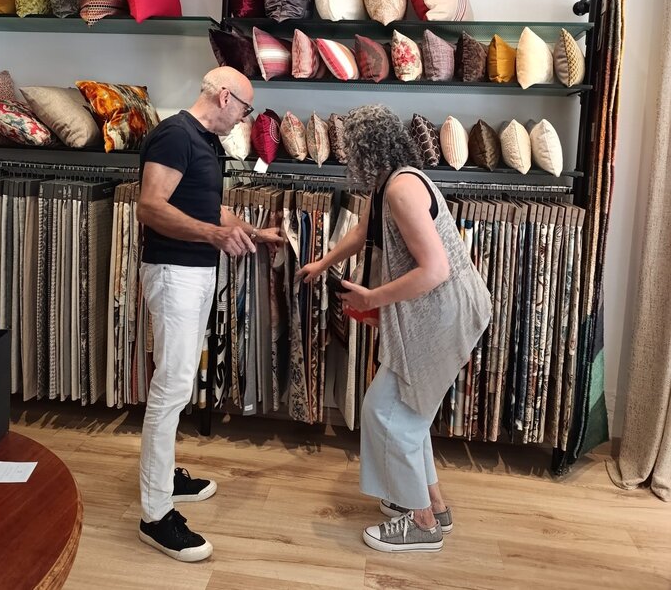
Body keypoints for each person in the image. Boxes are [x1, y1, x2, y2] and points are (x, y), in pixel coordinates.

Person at [298, 104, 491, 553]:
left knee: (388, 414)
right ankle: (433, 507)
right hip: (435, 312)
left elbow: (435, 270)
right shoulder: (390, 183)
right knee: (407, 410)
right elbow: (363, 232)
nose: (346, 156)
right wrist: (324, 263)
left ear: (365, 148)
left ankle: (421, 523)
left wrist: (371, 298)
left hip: (444, 313)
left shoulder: (402, 189)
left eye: (350, 147)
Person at [136, 67, 283, 562]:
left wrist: (254, 232)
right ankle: (155, 514)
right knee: (171, 388)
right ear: (224, 96)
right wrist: (214, 237)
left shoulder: (204, 143)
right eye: (244, 108)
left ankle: (164, 479)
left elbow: (211, 210)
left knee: (179, 385)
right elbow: (149, 207)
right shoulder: (175, 135)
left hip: (196, 273)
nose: (244, 119)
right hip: (174, 273)